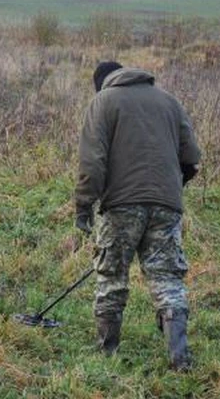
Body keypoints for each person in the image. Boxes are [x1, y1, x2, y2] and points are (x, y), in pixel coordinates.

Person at [75, 61, 201, 370]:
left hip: (120, 205)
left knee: (112, 277)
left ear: (103, 84)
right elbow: (192, 159)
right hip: (167, 204)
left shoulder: (103, 102)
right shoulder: (169, 101)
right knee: (167, 278)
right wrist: (168, 191)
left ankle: (107, 354)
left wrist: (83, 206)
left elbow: (92, 163)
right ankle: (178, 357)